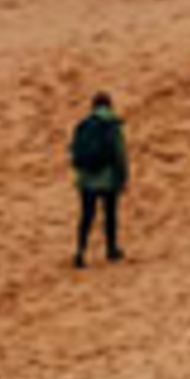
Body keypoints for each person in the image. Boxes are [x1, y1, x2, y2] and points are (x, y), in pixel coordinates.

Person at [69, 91, 128, 266]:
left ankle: (80, 251)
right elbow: (120, 154)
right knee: (109, 214)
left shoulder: (83, 125)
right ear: (109, 105)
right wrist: (123, 178)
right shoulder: (112, 125)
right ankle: (111, 249)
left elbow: (74, 152)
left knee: (86, 216)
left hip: (85, 179)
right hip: (107, 178)